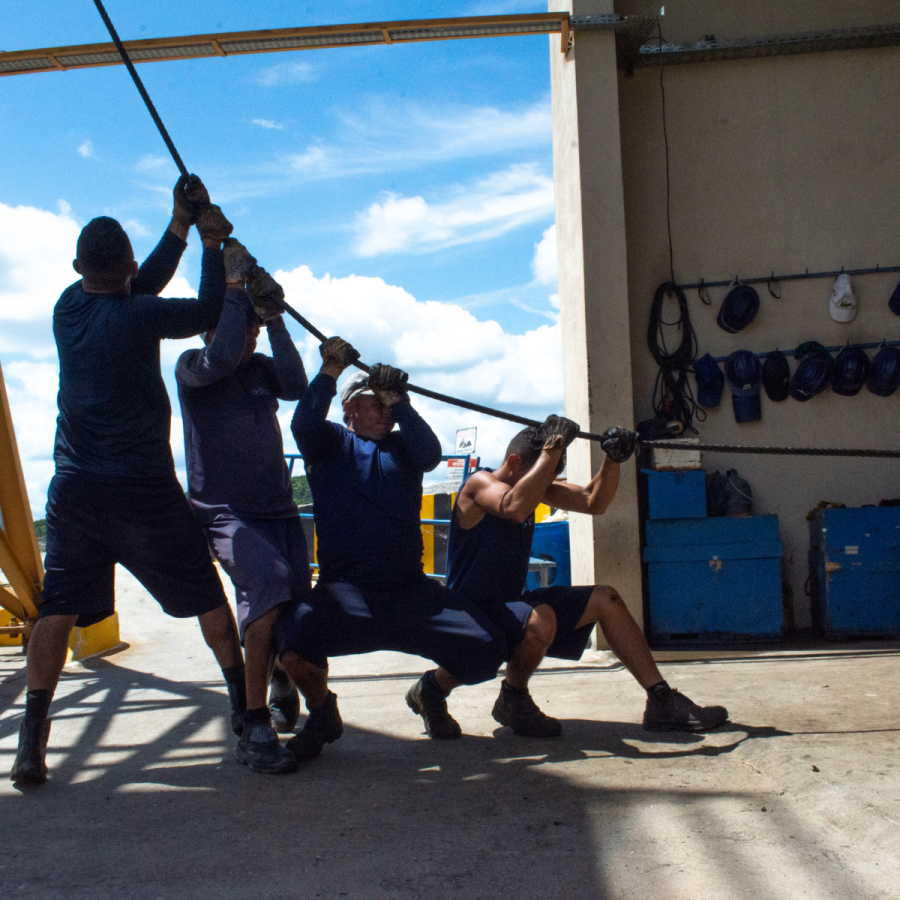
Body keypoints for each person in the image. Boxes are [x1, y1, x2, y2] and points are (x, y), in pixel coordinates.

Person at [11, 177, 245, 785]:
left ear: (78, 267)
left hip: (75, 492)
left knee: (57, 607)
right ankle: (246, 712)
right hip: (141, 490)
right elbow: (203, 312)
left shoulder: (69, 306)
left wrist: (180, 225)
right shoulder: (138, 315)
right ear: (130, 265)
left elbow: (134, 289)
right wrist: (211, 246)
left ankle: (32, 746)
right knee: (207, 595)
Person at [409, 419, 729, 738]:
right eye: (545, 471)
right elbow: (514, 507)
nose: (547, 482)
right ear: (513, 463)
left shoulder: (536, 487)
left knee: (607, 599)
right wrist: (552, 450)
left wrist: (612, 459)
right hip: (471, 613)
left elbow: (594, 501)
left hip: (511, 605)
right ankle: (443, 690)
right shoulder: (479, 484)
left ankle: (660, 700)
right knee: (539, 620)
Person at [273, 339, 508, 758]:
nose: (383, 412)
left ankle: (429, 692)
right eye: (374, 403)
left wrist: (400, 402)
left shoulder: (404, 447)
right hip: (345, 593)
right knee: (289, 636)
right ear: (350, 410)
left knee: (487, 647)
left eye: (386, 404)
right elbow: (303, 424)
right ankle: (323, 711)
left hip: (408, 591)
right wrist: (330, 371)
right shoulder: (330, 444)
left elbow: (431, 453)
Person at [175, 241, 310, 775]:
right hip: (227, 513)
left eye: (253, 330)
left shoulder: (258, 369)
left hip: (278, 509)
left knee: (294, 597)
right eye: (244, 327)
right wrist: (232, 291)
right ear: (215, 326)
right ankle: (253, 722)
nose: (249, 337)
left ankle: (276, 672)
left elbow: (297, 384)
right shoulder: (194, 368)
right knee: (269, 583)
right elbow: (219, 356)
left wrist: (275, 321)